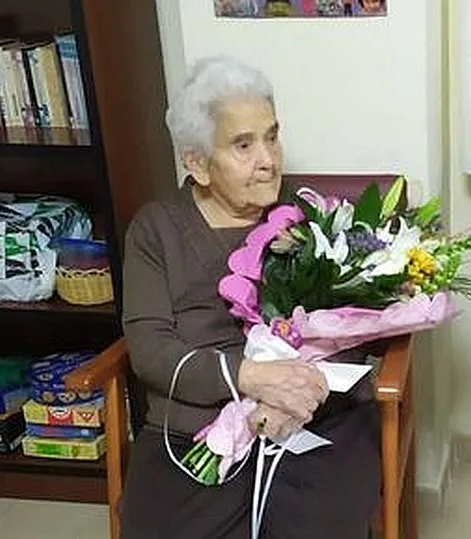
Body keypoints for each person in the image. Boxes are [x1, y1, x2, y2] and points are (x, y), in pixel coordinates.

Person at [118, 56, 380, 539]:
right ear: (196, 162)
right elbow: (152, 350)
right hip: (193, 426)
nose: (269, 159)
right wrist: (252, 377)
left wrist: (295, 392)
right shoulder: (156, 230)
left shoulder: (308, 220)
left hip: (310, 414)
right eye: (244, 144)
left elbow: (358, 323)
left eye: (273, 136)